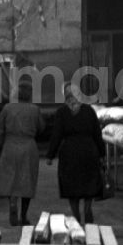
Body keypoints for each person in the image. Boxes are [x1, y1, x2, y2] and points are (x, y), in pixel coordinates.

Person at [46, 83, 105, 225]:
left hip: (69, 152)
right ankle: (87, 208)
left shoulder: (62, 112)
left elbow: (57, 135)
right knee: (89, 183)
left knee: (71, 186)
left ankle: (76, 215)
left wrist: (50, 155)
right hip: (89, 151)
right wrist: (102, 153)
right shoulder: (89, 110)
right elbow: (97, 134)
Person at [0, 81, 44, 226]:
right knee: (27, 181)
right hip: (28, 147)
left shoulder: (7, 108)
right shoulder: (35, 109)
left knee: (10, 179)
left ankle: (12, 205)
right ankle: (24, 215)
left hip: (9, 146)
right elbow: (41, 128)